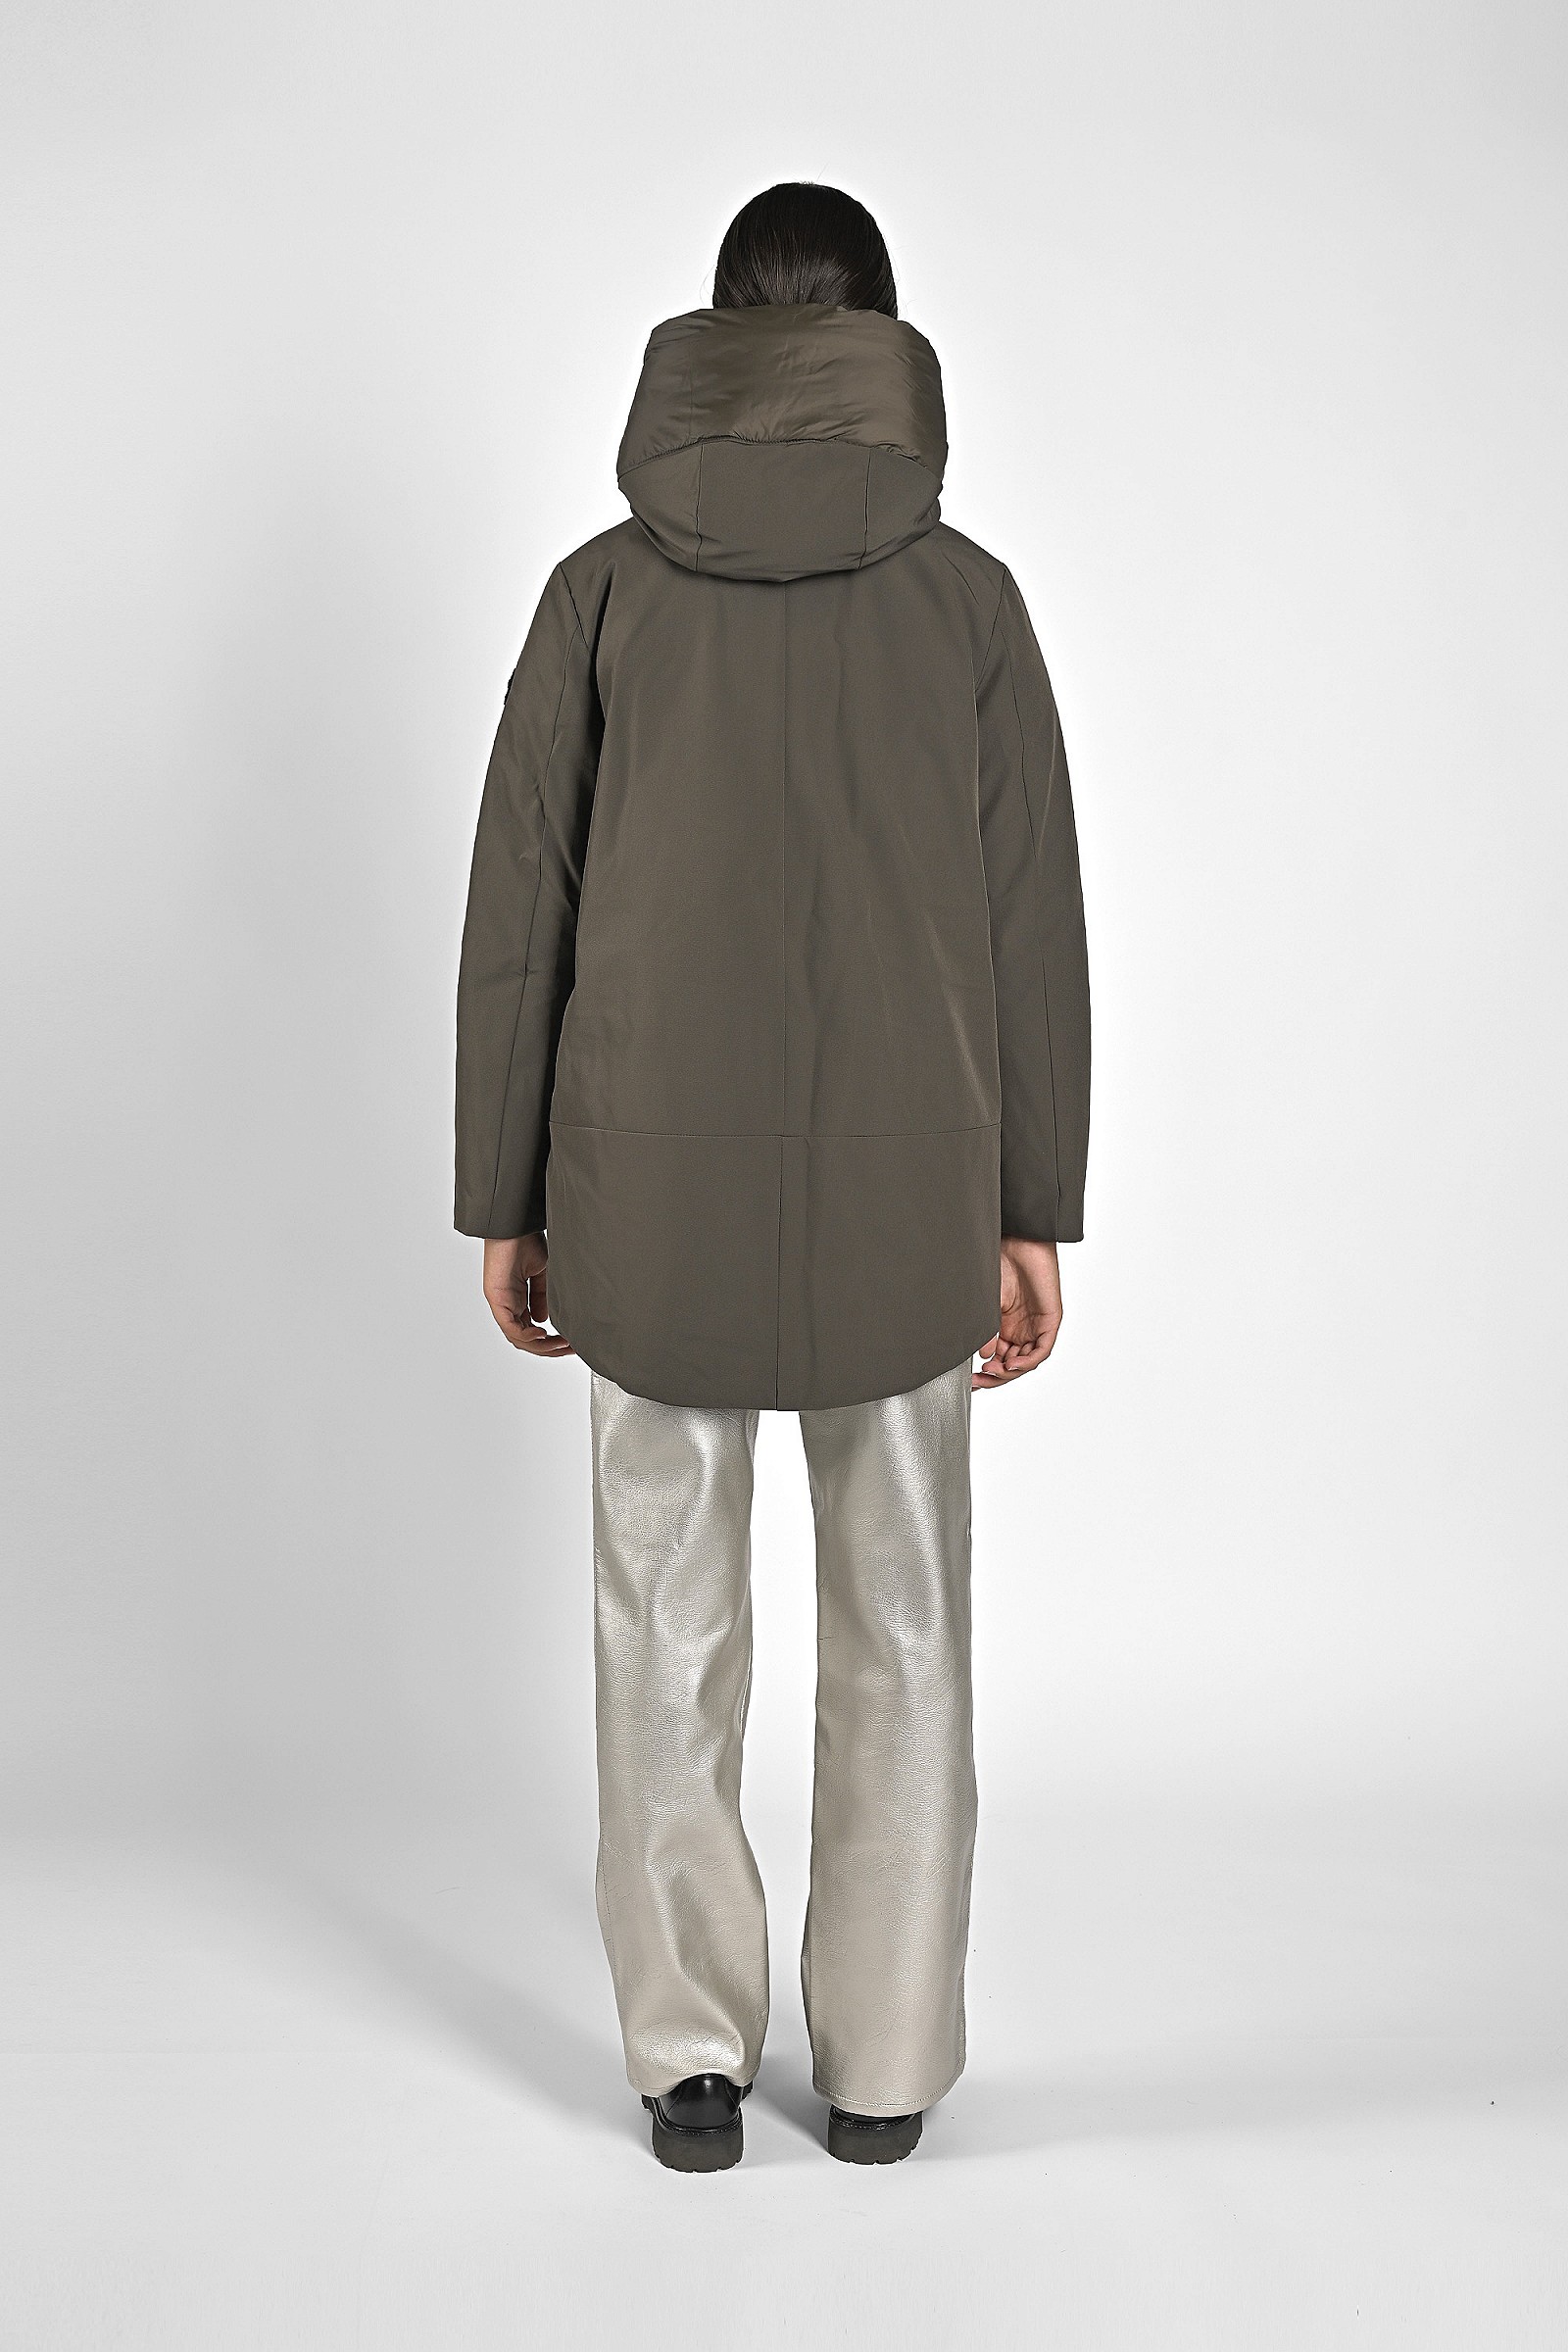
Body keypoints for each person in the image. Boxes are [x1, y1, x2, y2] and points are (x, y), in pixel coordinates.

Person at [455, 183, 1090, 2172]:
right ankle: (884, 2067)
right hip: (915, 1185)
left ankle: (689, 2060)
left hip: (640, 1178)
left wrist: (505, 1194)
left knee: (663, 1614)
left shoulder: (601, 594)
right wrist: (1030, 1205)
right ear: (881, 346)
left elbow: (522, 908)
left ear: (715, 341)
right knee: (906, 1617)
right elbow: (1031, 922)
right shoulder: (968, 600)